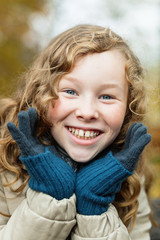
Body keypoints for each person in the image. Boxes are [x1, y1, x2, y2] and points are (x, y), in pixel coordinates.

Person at [0, 24, 154, 240]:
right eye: (70, 91)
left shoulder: (128, 173)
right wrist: (50, 196)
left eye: (107, 96)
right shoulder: (4, 160)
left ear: (129, 108)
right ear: (40, 93)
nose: (88, 112)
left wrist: (94, 209)